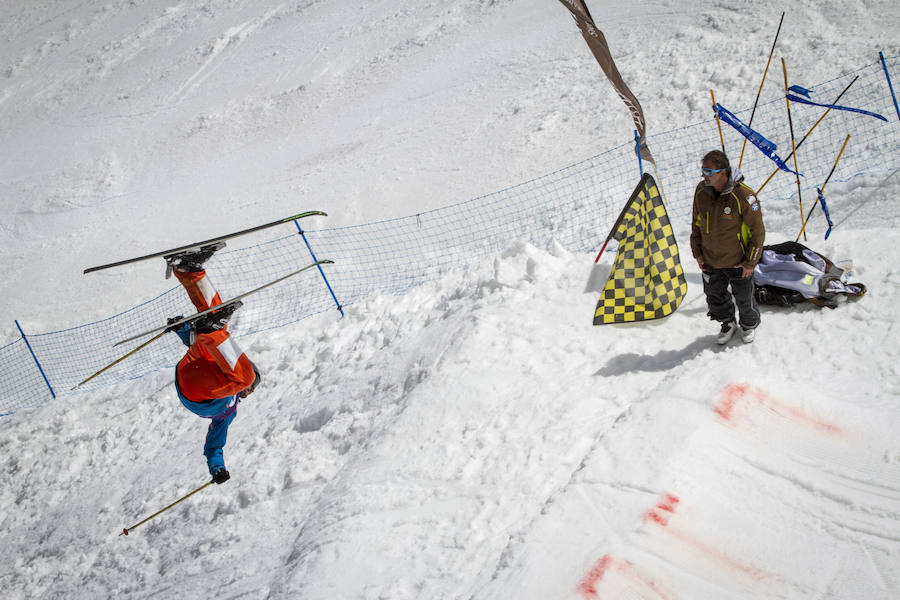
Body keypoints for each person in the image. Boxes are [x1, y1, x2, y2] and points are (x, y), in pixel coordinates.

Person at [165, 242, 261, 484]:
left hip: (195, 394)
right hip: (193, 368)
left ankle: (211, 329)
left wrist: (217, 468)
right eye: (250, 386)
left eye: (250, 390)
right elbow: (195, 346)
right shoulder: (226, 369)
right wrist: (184, 329)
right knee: (215, 326)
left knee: (218, 340)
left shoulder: (229, 410)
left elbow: (214, 447)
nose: (248, 389)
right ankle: (189, 270)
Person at [690, 150, 765, 344]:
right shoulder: (701, 191)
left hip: (738, 261)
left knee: (744, 298)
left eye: (708, 171)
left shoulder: (743, 195)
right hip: (710, 259)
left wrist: (750, 263)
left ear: (723, 173)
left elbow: (758, 232)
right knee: (715, 297)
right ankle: (727, 322)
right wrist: (697, 253)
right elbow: (696, 223)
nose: (703, 175)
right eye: (702, 170)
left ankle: (749, 324)